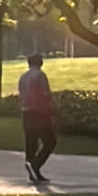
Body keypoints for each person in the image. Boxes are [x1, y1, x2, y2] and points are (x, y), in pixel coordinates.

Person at [17, 53, 57, 183]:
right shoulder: (40, 75)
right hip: (39, 113)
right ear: (40, 63)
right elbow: (45, 94)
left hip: (26, 112)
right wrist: (51, 110)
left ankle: (33, 170)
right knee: (50, 141)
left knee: (31, 142)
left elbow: (21, 95)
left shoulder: (23, 77)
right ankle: (35, 165)